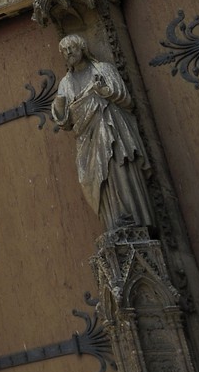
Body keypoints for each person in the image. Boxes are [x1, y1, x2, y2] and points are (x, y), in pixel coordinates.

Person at [52, 34, 153, 230]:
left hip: (112, 129)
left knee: (117, 168)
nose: (68, 53)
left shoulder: (104, 69)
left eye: (71, 48)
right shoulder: (66, 83)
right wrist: (58, 106)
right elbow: (65, 121)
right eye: (64, 51)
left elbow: (127, 101)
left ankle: (134, 219)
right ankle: (115, 224)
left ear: (82, 48)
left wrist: (104, 90)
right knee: (100, 179)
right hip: (87, 140)